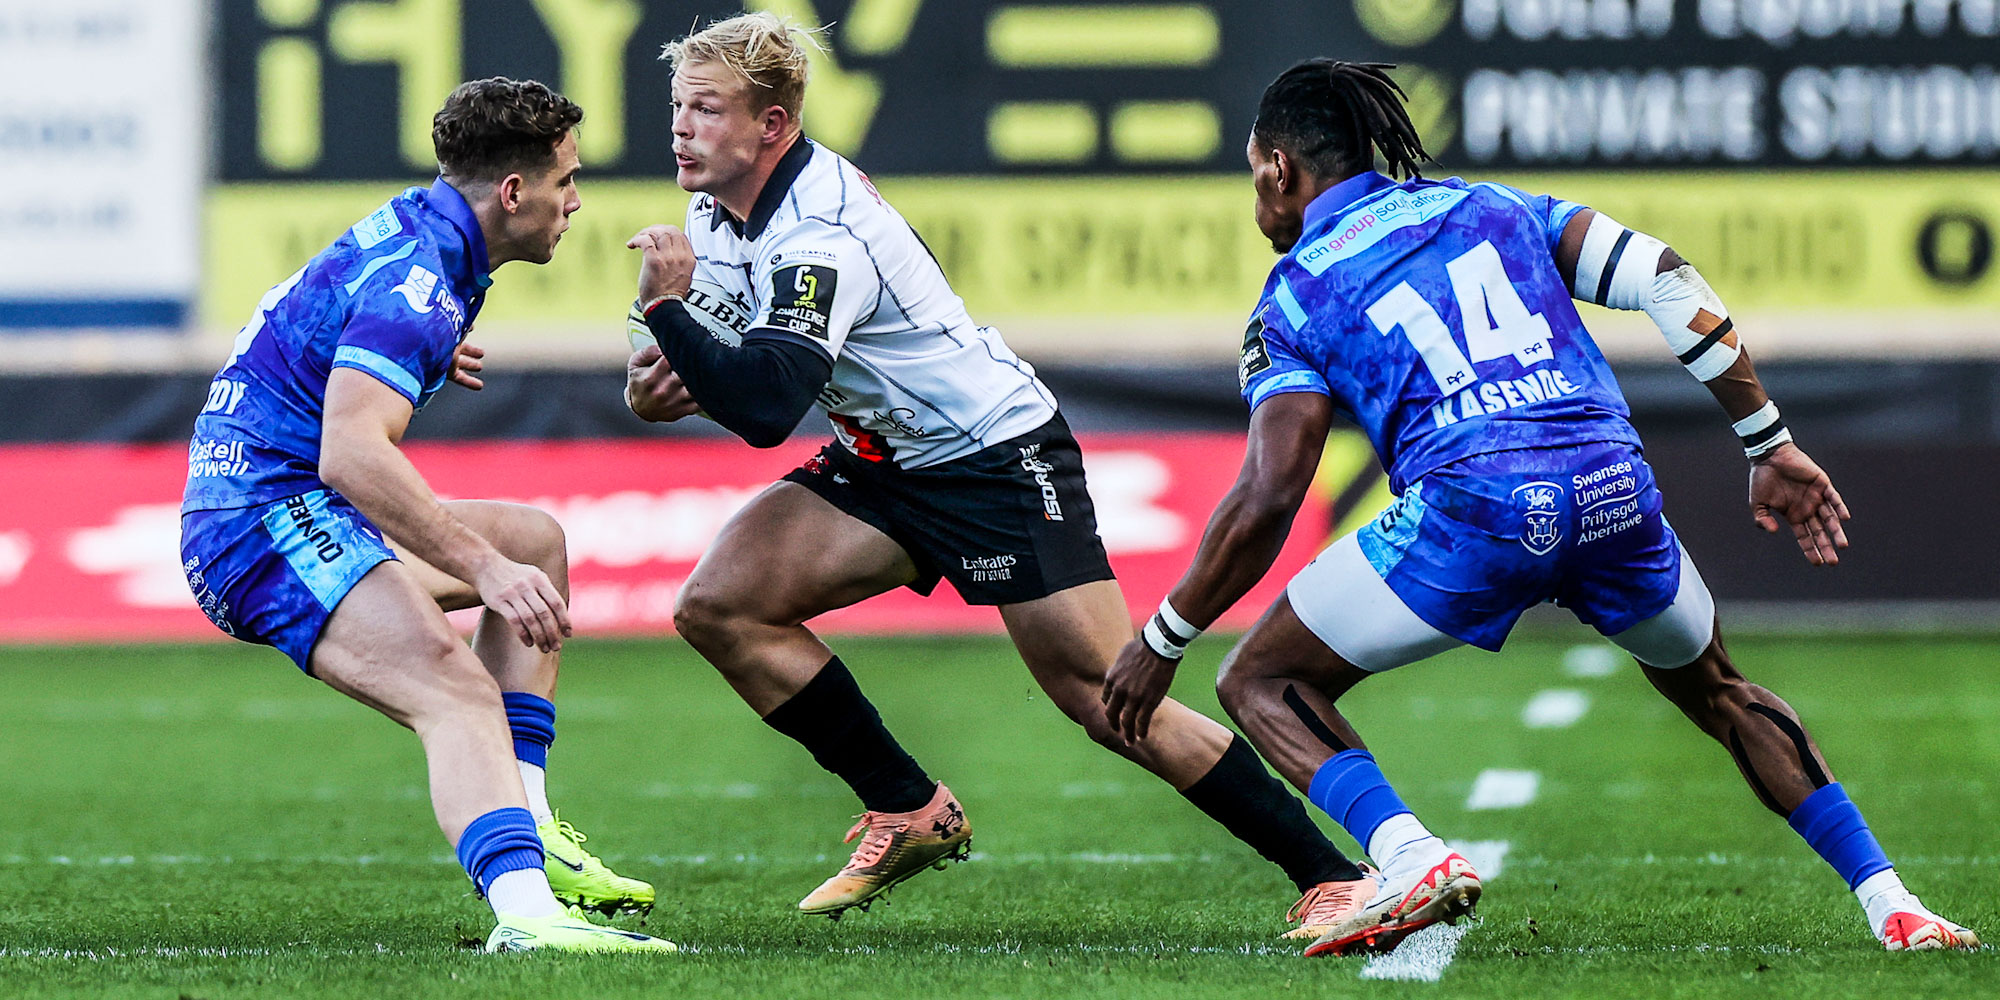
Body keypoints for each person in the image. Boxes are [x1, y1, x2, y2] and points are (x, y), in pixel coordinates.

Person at [1101, 59, 1979, 957]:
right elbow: (1670, 281)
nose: (1259, 205)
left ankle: (1409, 858)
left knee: (1258, 679)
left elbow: (1270, 493)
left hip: (1474, 511)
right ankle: (1894, 903)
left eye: (1256, 177)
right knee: (1720, 689)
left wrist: (1162, 636)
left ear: (1279, 168)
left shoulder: (1291, 297)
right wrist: (1768, 445)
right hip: (1612, 494)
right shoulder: (1500, 207)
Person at [621, 13, 1378, 938]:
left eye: (706, 108)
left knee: (1108, 699)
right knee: (720, 604)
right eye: (676, 106)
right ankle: (907, 807)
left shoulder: (821, 228)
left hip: (996, 456)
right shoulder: (715, 210)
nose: (681, 127)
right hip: (886, 456)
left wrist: (669, 314)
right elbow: (719, 380)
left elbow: (768, 405)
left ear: (773, 125)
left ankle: (1332, 874)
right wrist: (673, 371)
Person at [179, 78, 670, 953]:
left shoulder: (428, 238)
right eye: (565, 179)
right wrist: (482, 570)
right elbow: (353, 456)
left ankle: (533, 828)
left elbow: (313, 333)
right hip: (258, 520)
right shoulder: (421, 279)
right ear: (513, 192)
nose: (575, 199)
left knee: (535, 543)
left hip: (275, 501)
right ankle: (527, 919)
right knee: (455, 684)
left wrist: (431, 355)